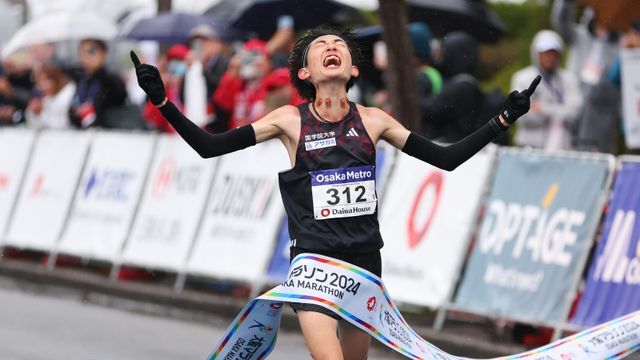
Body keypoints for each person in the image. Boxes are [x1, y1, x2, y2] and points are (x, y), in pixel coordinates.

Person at [131, 26, 539, 359]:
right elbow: (209, 146)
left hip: (364, 264)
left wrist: (501, 119)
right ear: (305, 73)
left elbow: (446, 159)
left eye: (339, 45)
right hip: (314, 266)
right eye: (320, 46)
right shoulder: (290, 120)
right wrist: (164, 101)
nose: (331, 47)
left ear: (353, 71)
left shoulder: (375, 120)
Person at [511, 30, 582, 151]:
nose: (550, 57)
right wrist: (560, 111)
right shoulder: (522, 77)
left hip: (563, 148)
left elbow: (575, 113)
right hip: (529, 149)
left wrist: (542, 108)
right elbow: (521, 116)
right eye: (546, 53)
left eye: (554, 53)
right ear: (536, 53)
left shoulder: (569, 79)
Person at [69, 39, 127, 128]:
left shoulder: (110, 79)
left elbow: (120, 97)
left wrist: (99, 70)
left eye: (91, 51)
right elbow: (72, 107)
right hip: (82, 133)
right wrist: (76, 113)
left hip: (106, 134)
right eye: (82, 51)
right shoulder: (78, 77)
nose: (86, 56)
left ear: (103, 53)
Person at [26, 64, 76, 130]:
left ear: (55, 79)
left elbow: (62, 125)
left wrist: (42, 114)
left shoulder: (69, 94)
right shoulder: (46, 98)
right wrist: (36, 113)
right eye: (39, 81)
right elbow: (34, 126)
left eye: (45, 80)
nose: (41, 85)